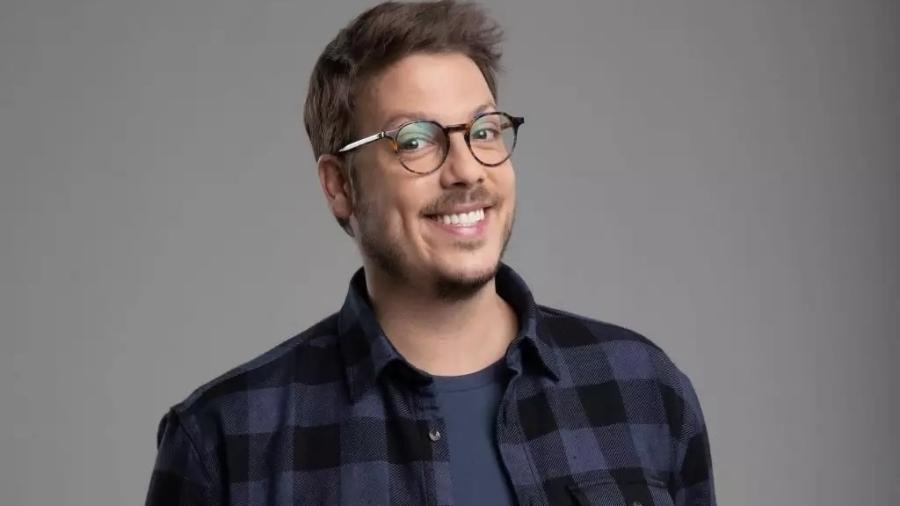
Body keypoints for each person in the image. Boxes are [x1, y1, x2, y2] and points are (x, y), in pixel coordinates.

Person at [145, 1, 715, 504]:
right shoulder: (223, 443)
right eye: (416, 141)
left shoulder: (645, 390)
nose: (467, 170)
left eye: (483, 131)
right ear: (339, 185)